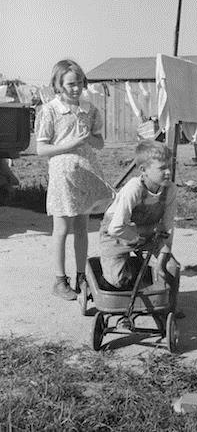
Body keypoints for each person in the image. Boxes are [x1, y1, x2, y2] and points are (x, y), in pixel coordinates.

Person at [36, 60, 113, 301]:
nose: (76, 88)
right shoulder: (50, 110)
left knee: (82, 228)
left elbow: (100, 144)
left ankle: (82, 276)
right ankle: (60, 280)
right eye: (70, 84)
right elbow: (41, 149)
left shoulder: (90, 110)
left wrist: (89, 137)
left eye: (79, 83)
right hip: (63, 178)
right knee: (61, 229)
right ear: (58, 85)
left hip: (86, 175)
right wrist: (72, 143)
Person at [99, 140, 179, 301]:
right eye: (162, 168)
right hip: (117, 236)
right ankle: (130, 269)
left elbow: (166, 229)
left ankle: (169, 306)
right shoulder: (134, 188)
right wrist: (137, 239)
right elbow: (116, 228)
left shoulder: (170, 190)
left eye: (169, 166)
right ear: (144, 170)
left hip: (147, 233)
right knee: (118, 281)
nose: (168, 172)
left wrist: (162, 261)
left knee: (172, 268)